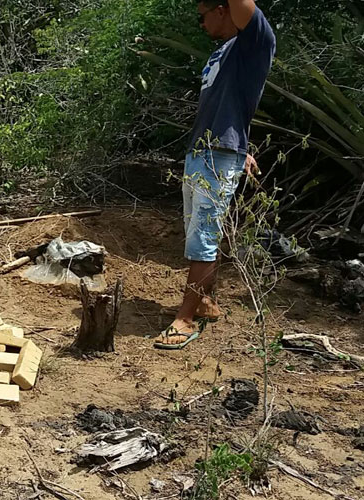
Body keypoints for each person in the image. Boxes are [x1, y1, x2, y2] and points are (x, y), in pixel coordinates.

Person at [154, 0, 276, 349]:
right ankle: (206, 302)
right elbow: (233, 105)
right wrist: (243, 147)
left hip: (216, 156)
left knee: (202, 239)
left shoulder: (255, 41)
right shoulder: (227, 52)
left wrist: (232, 151)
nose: (200, 24)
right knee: (202, 232)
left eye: (202, 15)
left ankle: (185, 319)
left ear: (222, 9)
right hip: (205, 151)